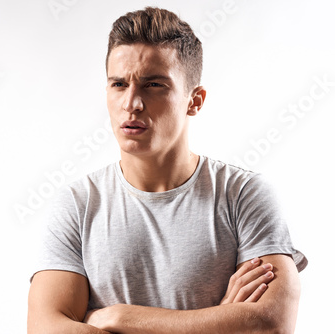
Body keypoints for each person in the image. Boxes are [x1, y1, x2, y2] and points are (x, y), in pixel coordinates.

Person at [27, 7, 307, 334]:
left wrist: (117, 318)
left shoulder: (243, 195)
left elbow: (271, 323)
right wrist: (219, 322)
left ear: (195, 100)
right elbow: (46, 328)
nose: (132, 102)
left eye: (154, 85)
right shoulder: (78, 204)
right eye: (118, 84)